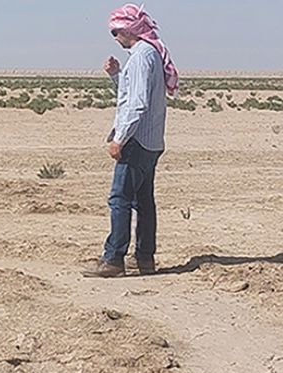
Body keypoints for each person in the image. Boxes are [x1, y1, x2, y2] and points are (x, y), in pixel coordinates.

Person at [84, 3, 180, 279]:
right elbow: (131, 95)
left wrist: (120, 139)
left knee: (120, 198)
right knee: (144, 200)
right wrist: (116, 75)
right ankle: (144, 258)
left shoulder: (141, 56)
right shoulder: (149, 55)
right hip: (151, 140)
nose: (114, 37)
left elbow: (137, 105)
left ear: (129, 29)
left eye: (116, 31)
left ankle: (114, 258)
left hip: (137, 140)